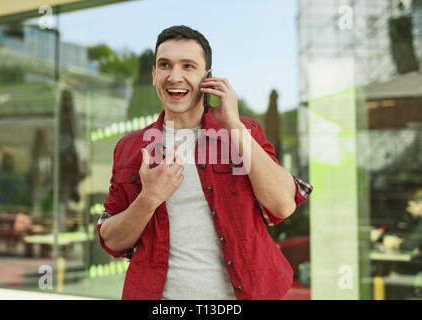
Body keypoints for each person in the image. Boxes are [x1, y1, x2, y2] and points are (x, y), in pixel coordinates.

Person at [97, 25, 313, 300]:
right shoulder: (130, 148)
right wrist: (148, 199)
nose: (174, 77)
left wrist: (233, 124)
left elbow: (282, 205)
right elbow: (112, 240)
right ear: (154, 75)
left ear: (207, 77)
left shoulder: (243, 131)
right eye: (165, 65)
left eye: (188, 66)